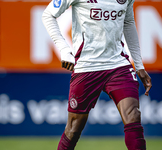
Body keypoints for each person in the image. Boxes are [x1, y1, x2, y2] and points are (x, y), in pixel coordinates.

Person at [42, 0, 152, 149]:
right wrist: (64, 49)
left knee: (133, 115)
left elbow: (128, 22)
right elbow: (48, 15)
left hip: (118, 64)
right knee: (73, 129)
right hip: (87, 66)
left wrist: (139, 65)